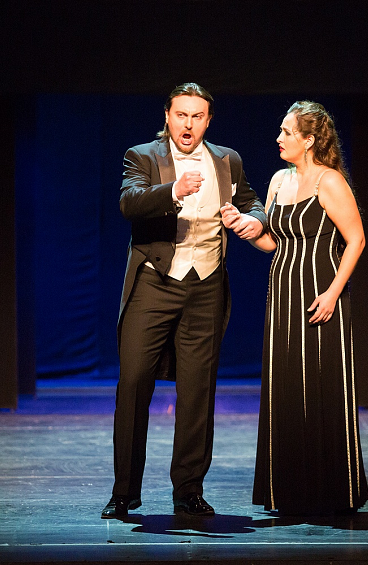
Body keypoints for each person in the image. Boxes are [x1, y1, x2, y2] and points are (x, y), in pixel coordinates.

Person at [102, 83, 267, 519]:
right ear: (168, 117)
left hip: (206, 284)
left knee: (198, 391)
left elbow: (253, 202)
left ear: (208, 120)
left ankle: (189, 491)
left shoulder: (227, 160)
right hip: (154, 283)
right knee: (134, 382)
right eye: (181, 115)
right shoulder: (142, 156)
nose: (188, 124)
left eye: (197, 116)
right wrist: (173, 190)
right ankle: (125, 491)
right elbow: (129, 203)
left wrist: (251, 220)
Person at [222, 100, 368, 515]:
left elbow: (356, 240)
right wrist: (242, 226)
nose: (279, 138)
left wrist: (333, 293)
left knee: (321, 385)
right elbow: (273, 241)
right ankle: (289, 490)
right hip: (284, 294)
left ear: (308, 140)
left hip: (320, 295)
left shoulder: (329, 181)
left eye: (287, 132)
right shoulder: (279, 180)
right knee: (286, 386)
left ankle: (331, 491)